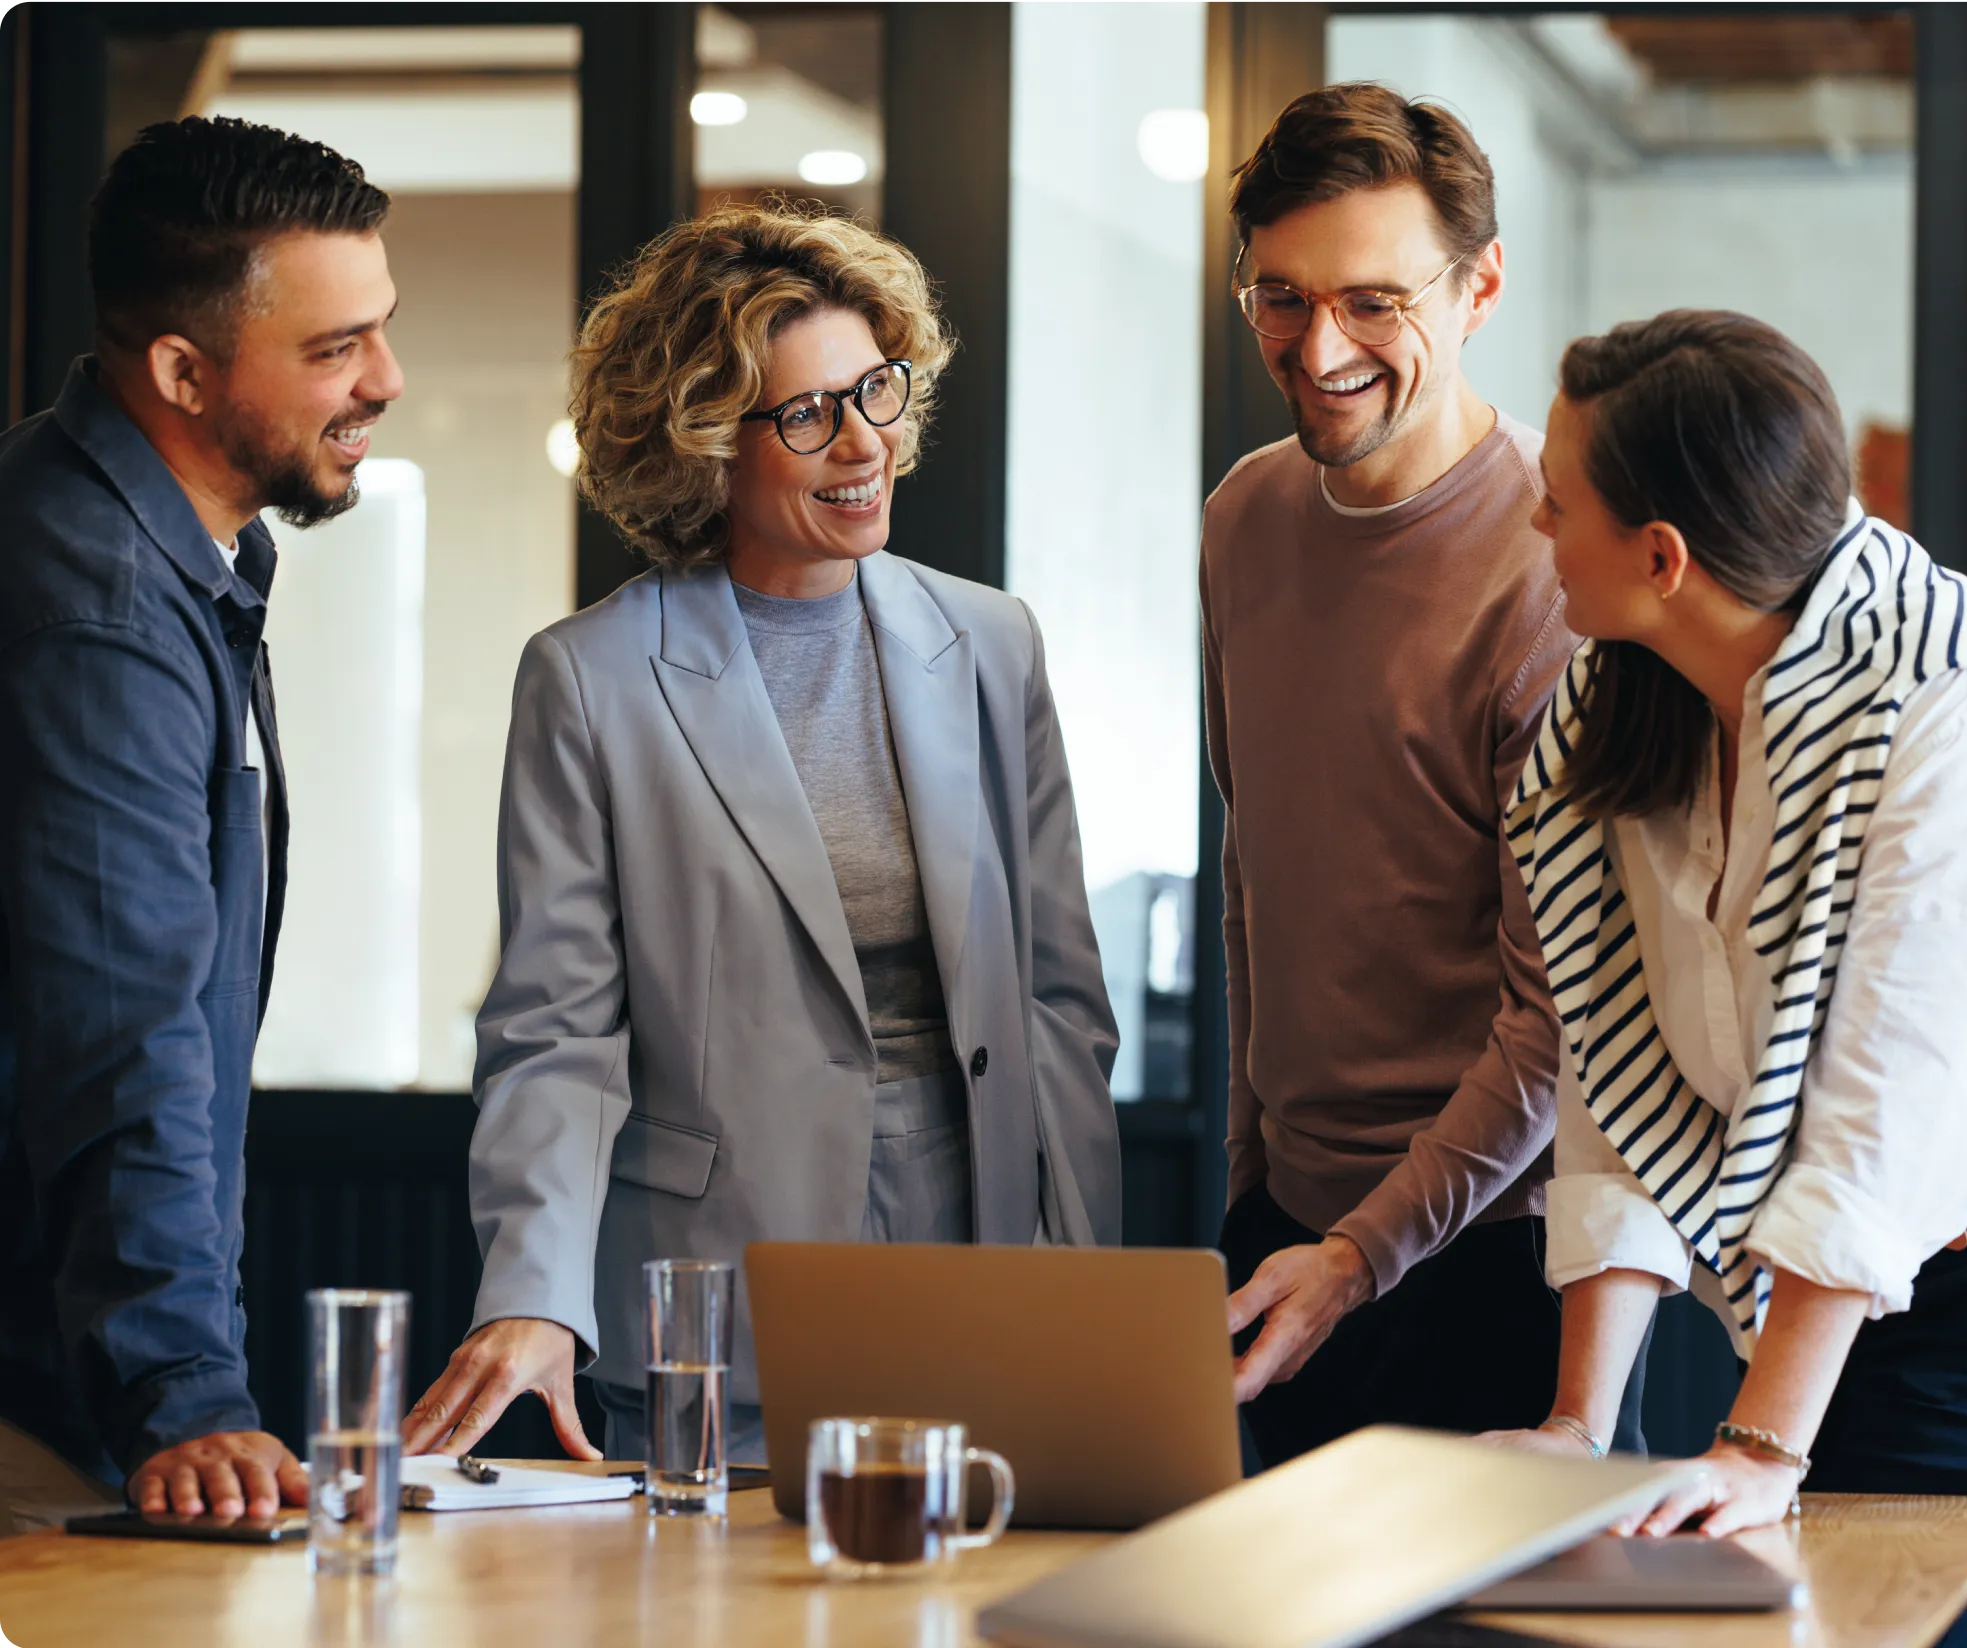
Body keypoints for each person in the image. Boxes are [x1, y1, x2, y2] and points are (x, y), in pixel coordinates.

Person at [1485, 309, 1967, 1648]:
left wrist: (1758, 1442)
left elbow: (1892, 1122)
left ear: (1659, 556)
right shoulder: (1627, 703)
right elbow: (1618, 1061)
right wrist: (1579, 1425)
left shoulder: (1943, 715)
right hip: (1851, 1284)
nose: (1534, 527)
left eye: (1554, 503)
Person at [403, 203, 1121, 1465]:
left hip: (982, 1260)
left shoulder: (991, 641)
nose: (864, 443)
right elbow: (553, 1031)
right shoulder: (592, 678)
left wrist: (1082, 1283)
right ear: (702, 444)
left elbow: (1060, 1002)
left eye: (877, 391)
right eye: (806, 414)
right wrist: (533, 1289)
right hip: (716, 1284)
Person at [1204, 82, 1639, 1469]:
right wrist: (1255, 1192)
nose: (1316, 345)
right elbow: (1254, 876)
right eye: (1278, 296)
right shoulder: (1242, 515)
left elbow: (1555, 1012)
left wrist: (1358, 1251)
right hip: (1279, 1237)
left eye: (1371, 302)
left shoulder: (1551, 573)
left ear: (1480, 287)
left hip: (1485, 1252)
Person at [0, 117, 400, 1532]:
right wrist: (182, 1390)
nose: (385, 381)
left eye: (382, 331)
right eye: (333, 348)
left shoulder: (173, 551)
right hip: (45, 1398)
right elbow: (126, 1022)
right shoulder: (100, 603)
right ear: (180, 370)